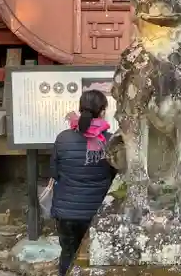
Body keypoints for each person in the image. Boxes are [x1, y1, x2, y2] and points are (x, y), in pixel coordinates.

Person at [50, 89, 116, 276]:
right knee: (93, 258)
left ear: (80, 109)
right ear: (103, 111)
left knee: (68, 255)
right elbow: (113, 176)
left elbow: (54, 172)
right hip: (95, 212)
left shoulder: (63, 138)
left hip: (65, 213)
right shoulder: (109, 142)